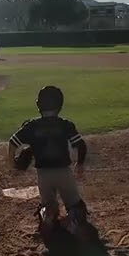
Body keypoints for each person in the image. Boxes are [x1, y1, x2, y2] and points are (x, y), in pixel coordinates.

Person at [8, 85, 91, 236]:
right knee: (75, 205)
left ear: (38, 105)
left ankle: (48, 215)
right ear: (60, 105)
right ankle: (72, 220)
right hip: (63, 172)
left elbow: (13, 142)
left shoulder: (31, 126)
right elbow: (81, 145)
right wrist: (80, 165)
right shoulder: (65, 125)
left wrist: (12, 162)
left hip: (43, 174)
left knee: (48, 203)